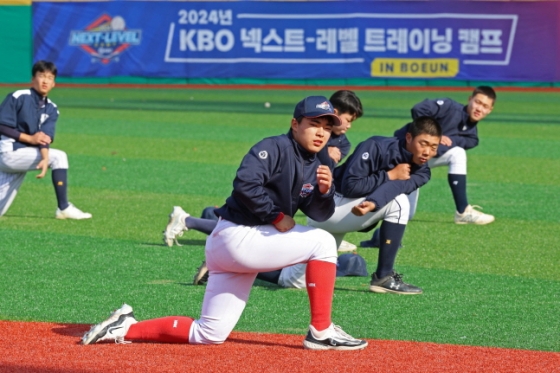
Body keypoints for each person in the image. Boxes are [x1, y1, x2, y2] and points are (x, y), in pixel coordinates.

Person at [82, 96, 368, 351]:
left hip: (238, 249)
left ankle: (124, 327)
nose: (321, 132)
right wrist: (276, 216)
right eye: (314, 123)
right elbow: (245, 184)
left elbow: (319, 213)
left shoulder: (318, 162)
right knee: (323, 242)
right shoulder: (275, 146)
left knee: (209, 333)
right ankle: (321, 330)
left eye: (328, 126)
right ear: (295, 123)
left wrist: (325, 191)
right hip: (237, 236)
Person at [308, 116, 441, 295]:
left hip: (345, 215)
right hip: (329, 205)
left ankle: (265, 271)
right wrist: (389, 175)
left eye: (433, 147)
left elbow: (398, 186)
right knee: (399, 203)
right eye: (423, 143)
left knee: (297, 278)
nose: (427, 151)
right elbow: (350, 186)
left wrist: (374, 202)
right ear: (409, 138)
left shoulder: (423, 172)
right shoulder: (376, 146)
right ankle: (383, 277)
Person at [0, 60, 91, 219]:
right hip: (7, 153)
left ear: (54, 83)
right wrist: (29, 138)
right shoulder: (18, 97)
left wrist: (44, 157)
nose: (45, 81)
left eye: (49, 77)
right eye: (41, 76)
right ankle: (64, 207)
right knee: (60, 156)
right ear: (32, 79)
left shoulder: (52, 109)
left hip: (20, 157)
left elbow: (44, 138)